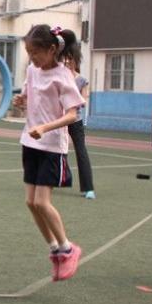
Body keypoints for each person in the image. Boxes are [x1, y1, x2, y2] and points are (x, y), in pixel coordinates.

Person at [12, 25, 86, 281]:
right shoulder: (32, 71)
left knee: (42, 201)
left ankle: (68, 248)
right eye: (29, 52)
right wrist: (21, 102)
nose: (32, 58)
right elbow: (28, 100)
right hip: (30, 142)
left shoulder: (64, 76)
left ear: (52, 49)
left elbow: (72, 115)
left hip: (52, 146)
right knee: (31, 202)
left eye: (36, 52)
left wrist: (45, 127)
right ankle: (55, 250)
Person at [64, 50, 95, 199]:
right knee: (55, 150)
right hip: (58, 121)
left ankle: (88, 188)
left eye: (71, 60)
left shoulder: (82, 80)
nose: (68, 62)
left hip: (75, 120)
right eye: (65, 60)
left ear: (76, 61)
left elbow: (84, 100)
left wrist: (73, 102)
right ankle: (57, 178)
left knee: (81, 151)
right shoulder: (58, 77)